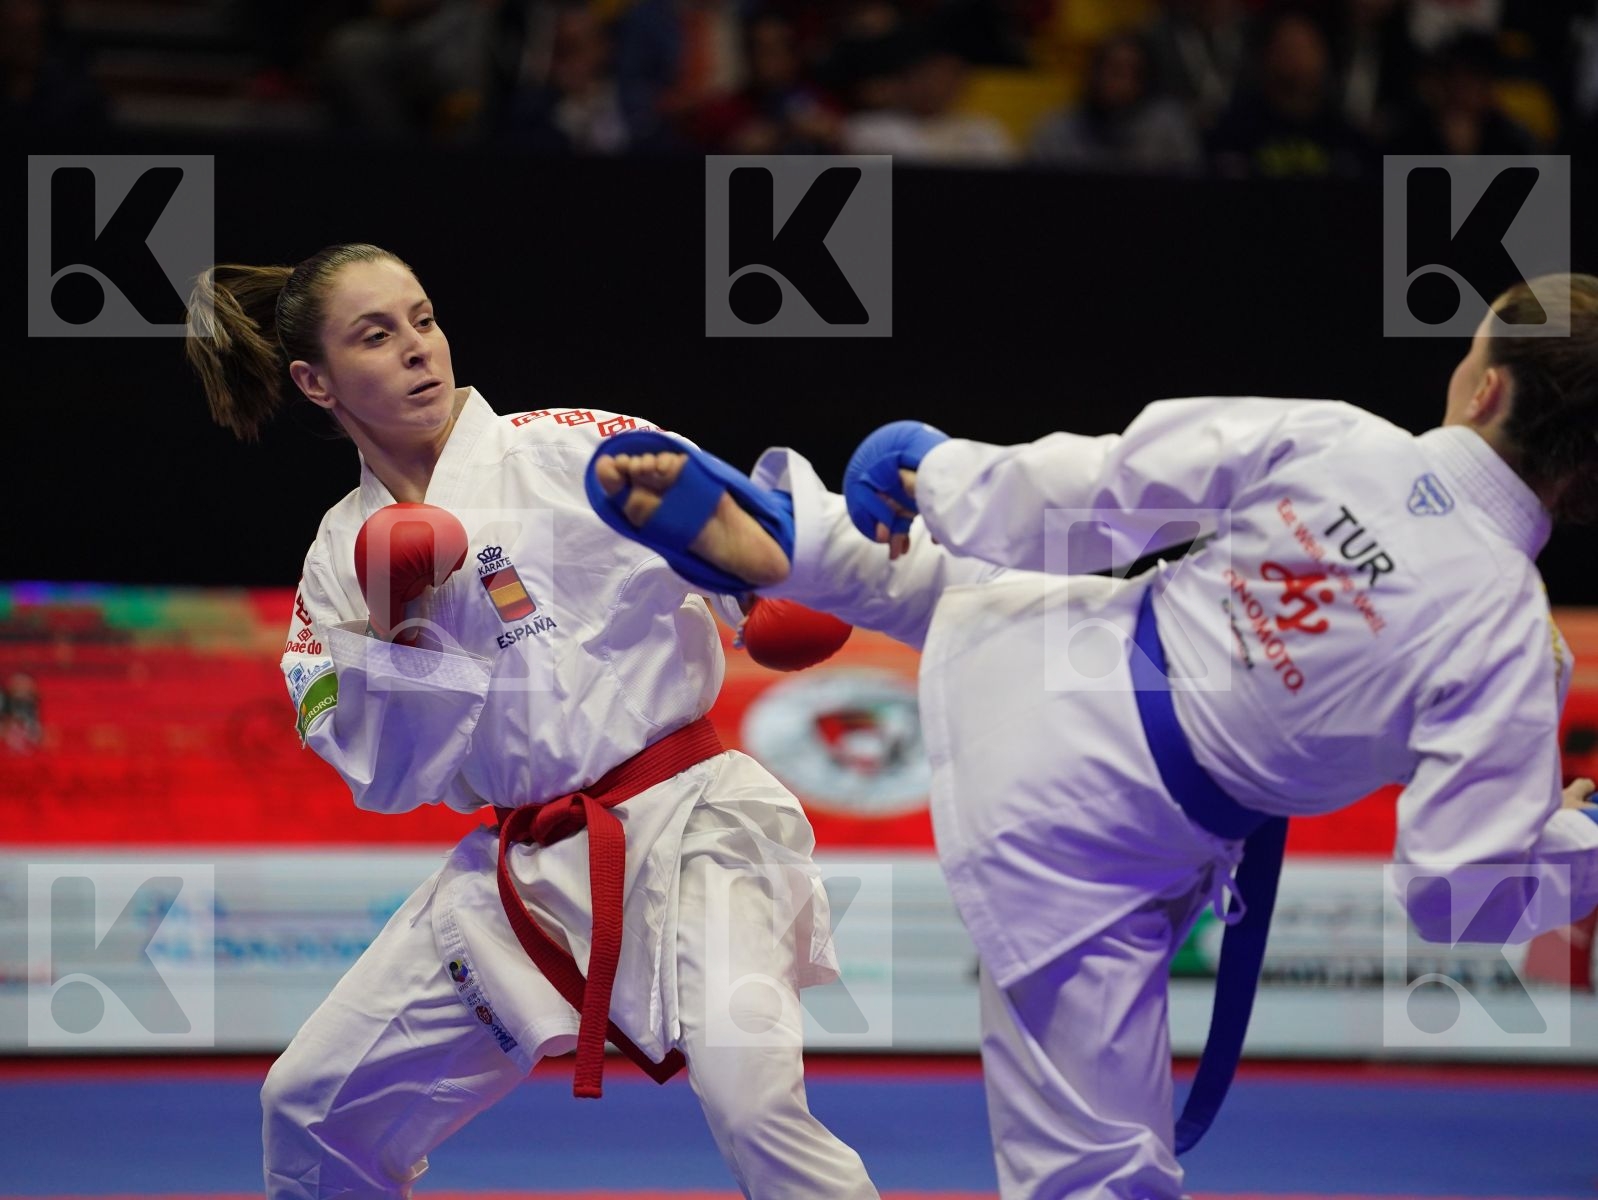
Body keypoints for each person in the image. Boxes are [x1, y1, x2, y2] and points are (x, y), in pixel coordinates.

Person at [589, 272, 1598, 1199]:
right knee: (1093, 1167)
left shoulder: (1345, 440)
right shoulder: (1514, 641)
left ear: (1485, 395)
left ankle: (793, 537)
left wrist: (938, 469)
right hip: (1098, 851)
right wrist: (1576, 852)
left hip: (1049, 672)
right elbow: (1453, 892)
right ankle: (800, 541)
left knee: (967, 582)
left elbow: (1103, 492)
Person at [182, 243, 879, 1200]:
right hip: (524, 873)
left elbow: (754, 555)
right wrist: (398, 622)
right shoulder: (337, 563)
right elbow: (384, 780)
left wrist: (781, 584)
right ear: (315, 381)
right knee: (310, 1107)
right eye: (377, 337)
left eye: (424, 320)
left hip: (697, 828)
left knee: (754, 1103)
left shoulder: (572, 450)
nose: (419, 350)